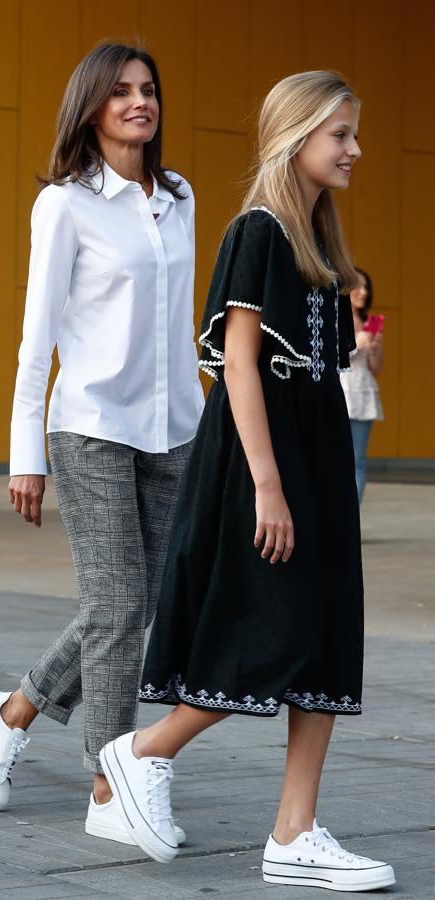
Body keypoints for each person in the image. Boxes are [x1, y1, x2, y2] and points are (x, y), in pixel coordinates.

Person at [100, 71, 396, 892]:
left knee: (326, 633)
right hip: (264, 458)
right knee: (274, 628)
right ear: (296, 137)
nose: (354, 149)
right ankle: (143, 751)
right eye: (340, 134)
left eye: (353, 133)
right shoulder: (258, 231)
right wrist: (267, 484)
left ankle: (294, 833)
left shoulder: (320, 246)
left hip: (317, 453)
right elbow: (236, 365)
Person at [0, 43, 203, 846]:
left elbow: (180, 323)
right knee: (115, 607)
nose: (139, 102)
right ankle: (109, 786)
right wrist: (24, 453)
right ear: (92, 108)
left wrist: (207, 426)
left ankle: (14, 709)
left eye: (148, 89)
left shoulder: (177, 197)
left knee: (135, 605)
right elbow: (36, 338)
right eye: (121, 92)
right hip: (91, 426)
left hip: (174, 429)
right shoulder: (64, 205)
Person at [341, 268, 384, 502]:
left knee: (358, 460)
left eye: (366, 286)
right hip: (340, 390)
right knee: (334, 458)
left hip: (363, 392)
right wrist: (358, 343)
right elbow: (331, 358)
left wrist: (375, 348)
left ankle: (353, 516)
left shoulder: (371, 322)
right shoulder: (335, 319)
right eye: (358, 286)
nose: (363, 291)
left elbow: (375, 367)